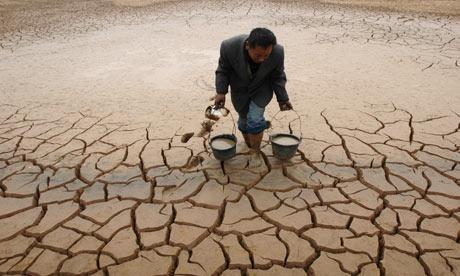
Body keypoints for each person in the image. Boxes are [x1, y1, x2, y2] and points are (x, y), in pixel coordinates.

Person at [214, 27, 293, 158]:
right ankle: (250, 144)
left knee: (255, 120)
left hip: (262, 89)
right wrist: (221, 92)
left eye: (266, 56)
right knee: (244, 122)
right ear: (247, 46)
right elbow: (223, 70)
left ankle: (255, 151)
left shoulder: (278, 52)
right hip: (240, 89)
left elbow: (278, 76)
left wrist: (283, 98)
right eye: (258, 55)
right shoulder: (229, 47)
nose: (262, 59)